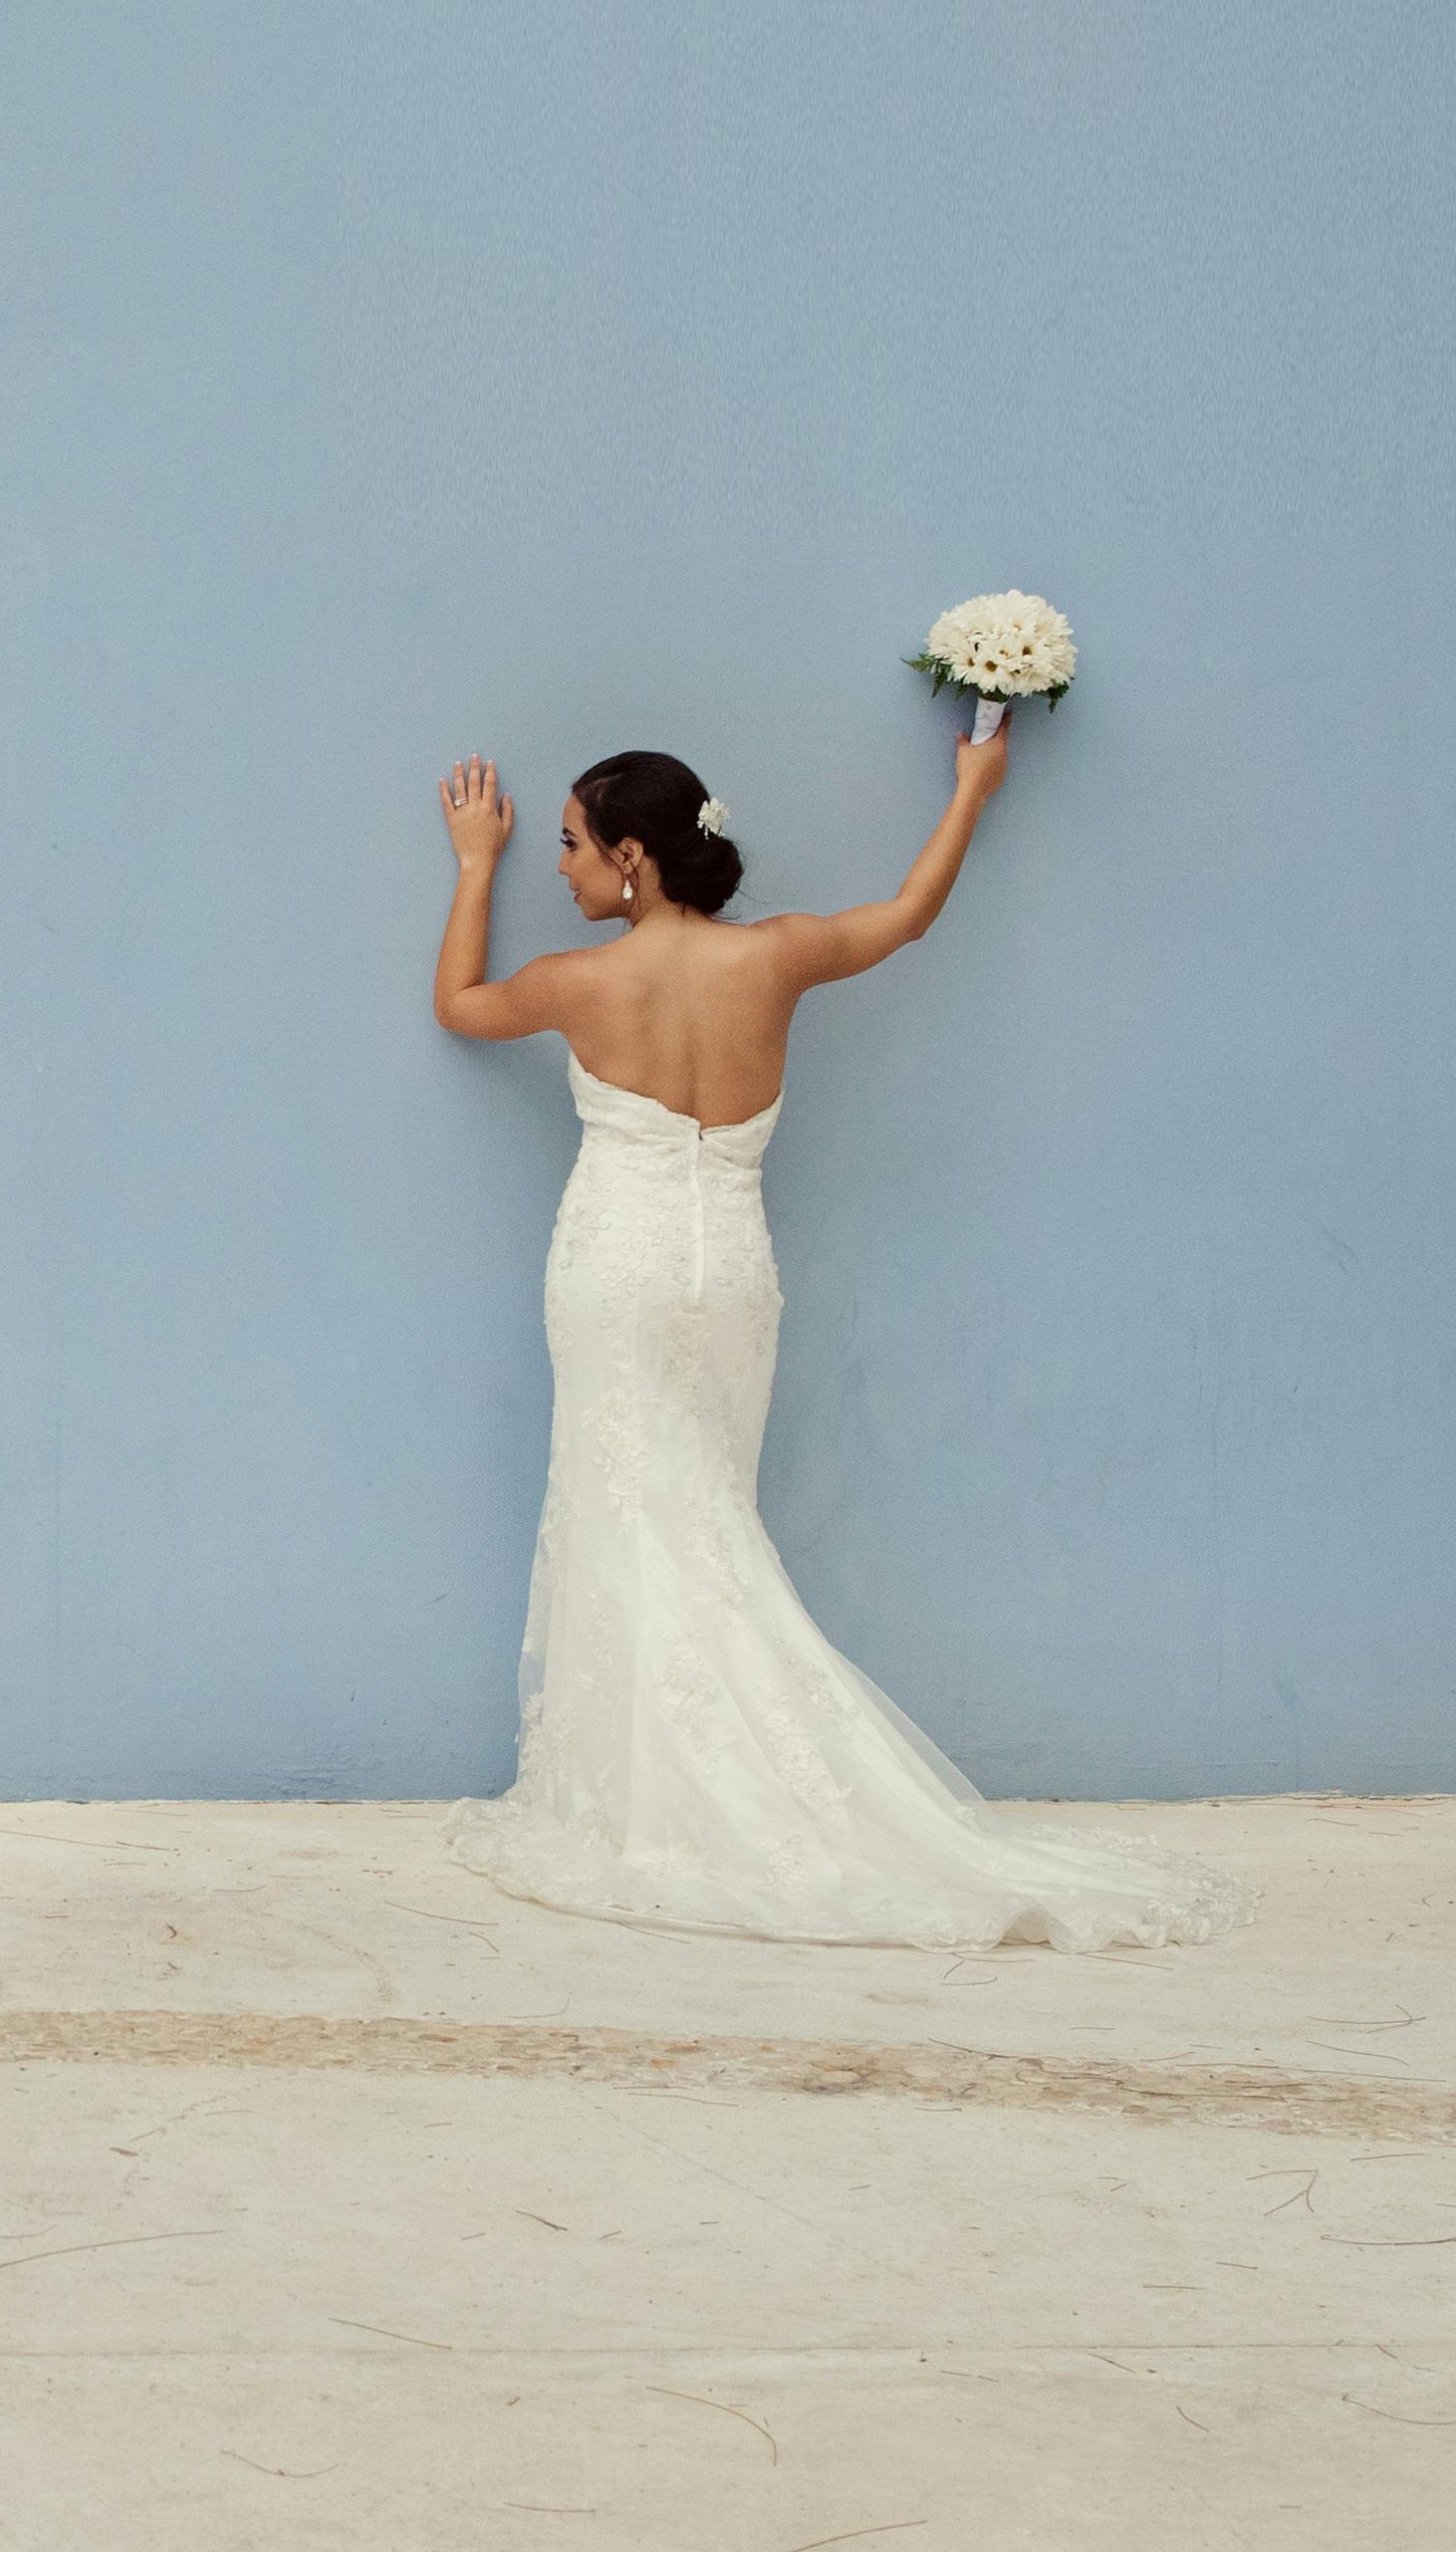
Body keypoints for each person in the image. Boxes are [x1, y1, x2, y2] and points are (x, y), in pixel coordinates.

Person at [424, 730, 1238, 1948]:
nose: (561, 867)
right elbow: (910, 913)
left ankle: (671, 1797)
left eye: (571, 845)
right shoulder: (780, 955)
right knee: (705, 1514)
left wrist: (471, 863)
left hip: (617, 1270)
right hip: (735, 1278)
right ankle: (718, 1779)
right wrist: (971, 785)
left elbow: (457, 1006)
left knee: (634, 1511)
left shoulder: (574, 982)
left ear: (634, 857)